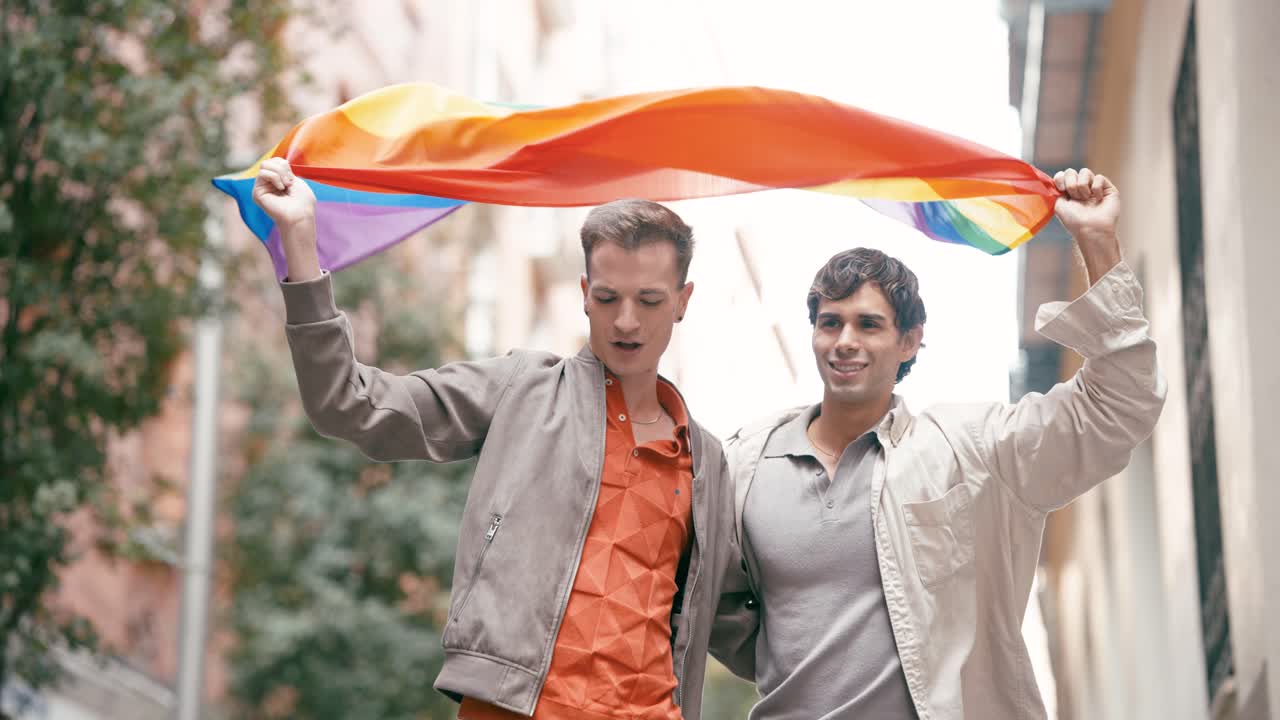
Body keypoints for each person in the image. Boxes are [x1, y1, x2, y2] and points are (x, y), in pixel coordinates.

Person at [253, 157, 735, 720]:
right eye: (608, 298)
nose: (626, 321)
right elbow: (349, 404)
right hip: (512, 707)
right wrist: (300, 241)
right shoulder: (522, 389)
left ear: (683, 300)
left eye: (649, 300)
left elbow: (738, 611)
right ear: (584, 293)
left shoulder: (707, 460)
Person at [711, 167, 1166, 719]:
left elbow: (1118, 406)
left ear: (909, 341)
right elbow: (715, 608)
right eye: (830, 323)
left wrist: (1096, 240)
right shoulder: (746, 466)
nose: (845, 342)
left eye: (868, 325)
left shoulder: (969, 450)